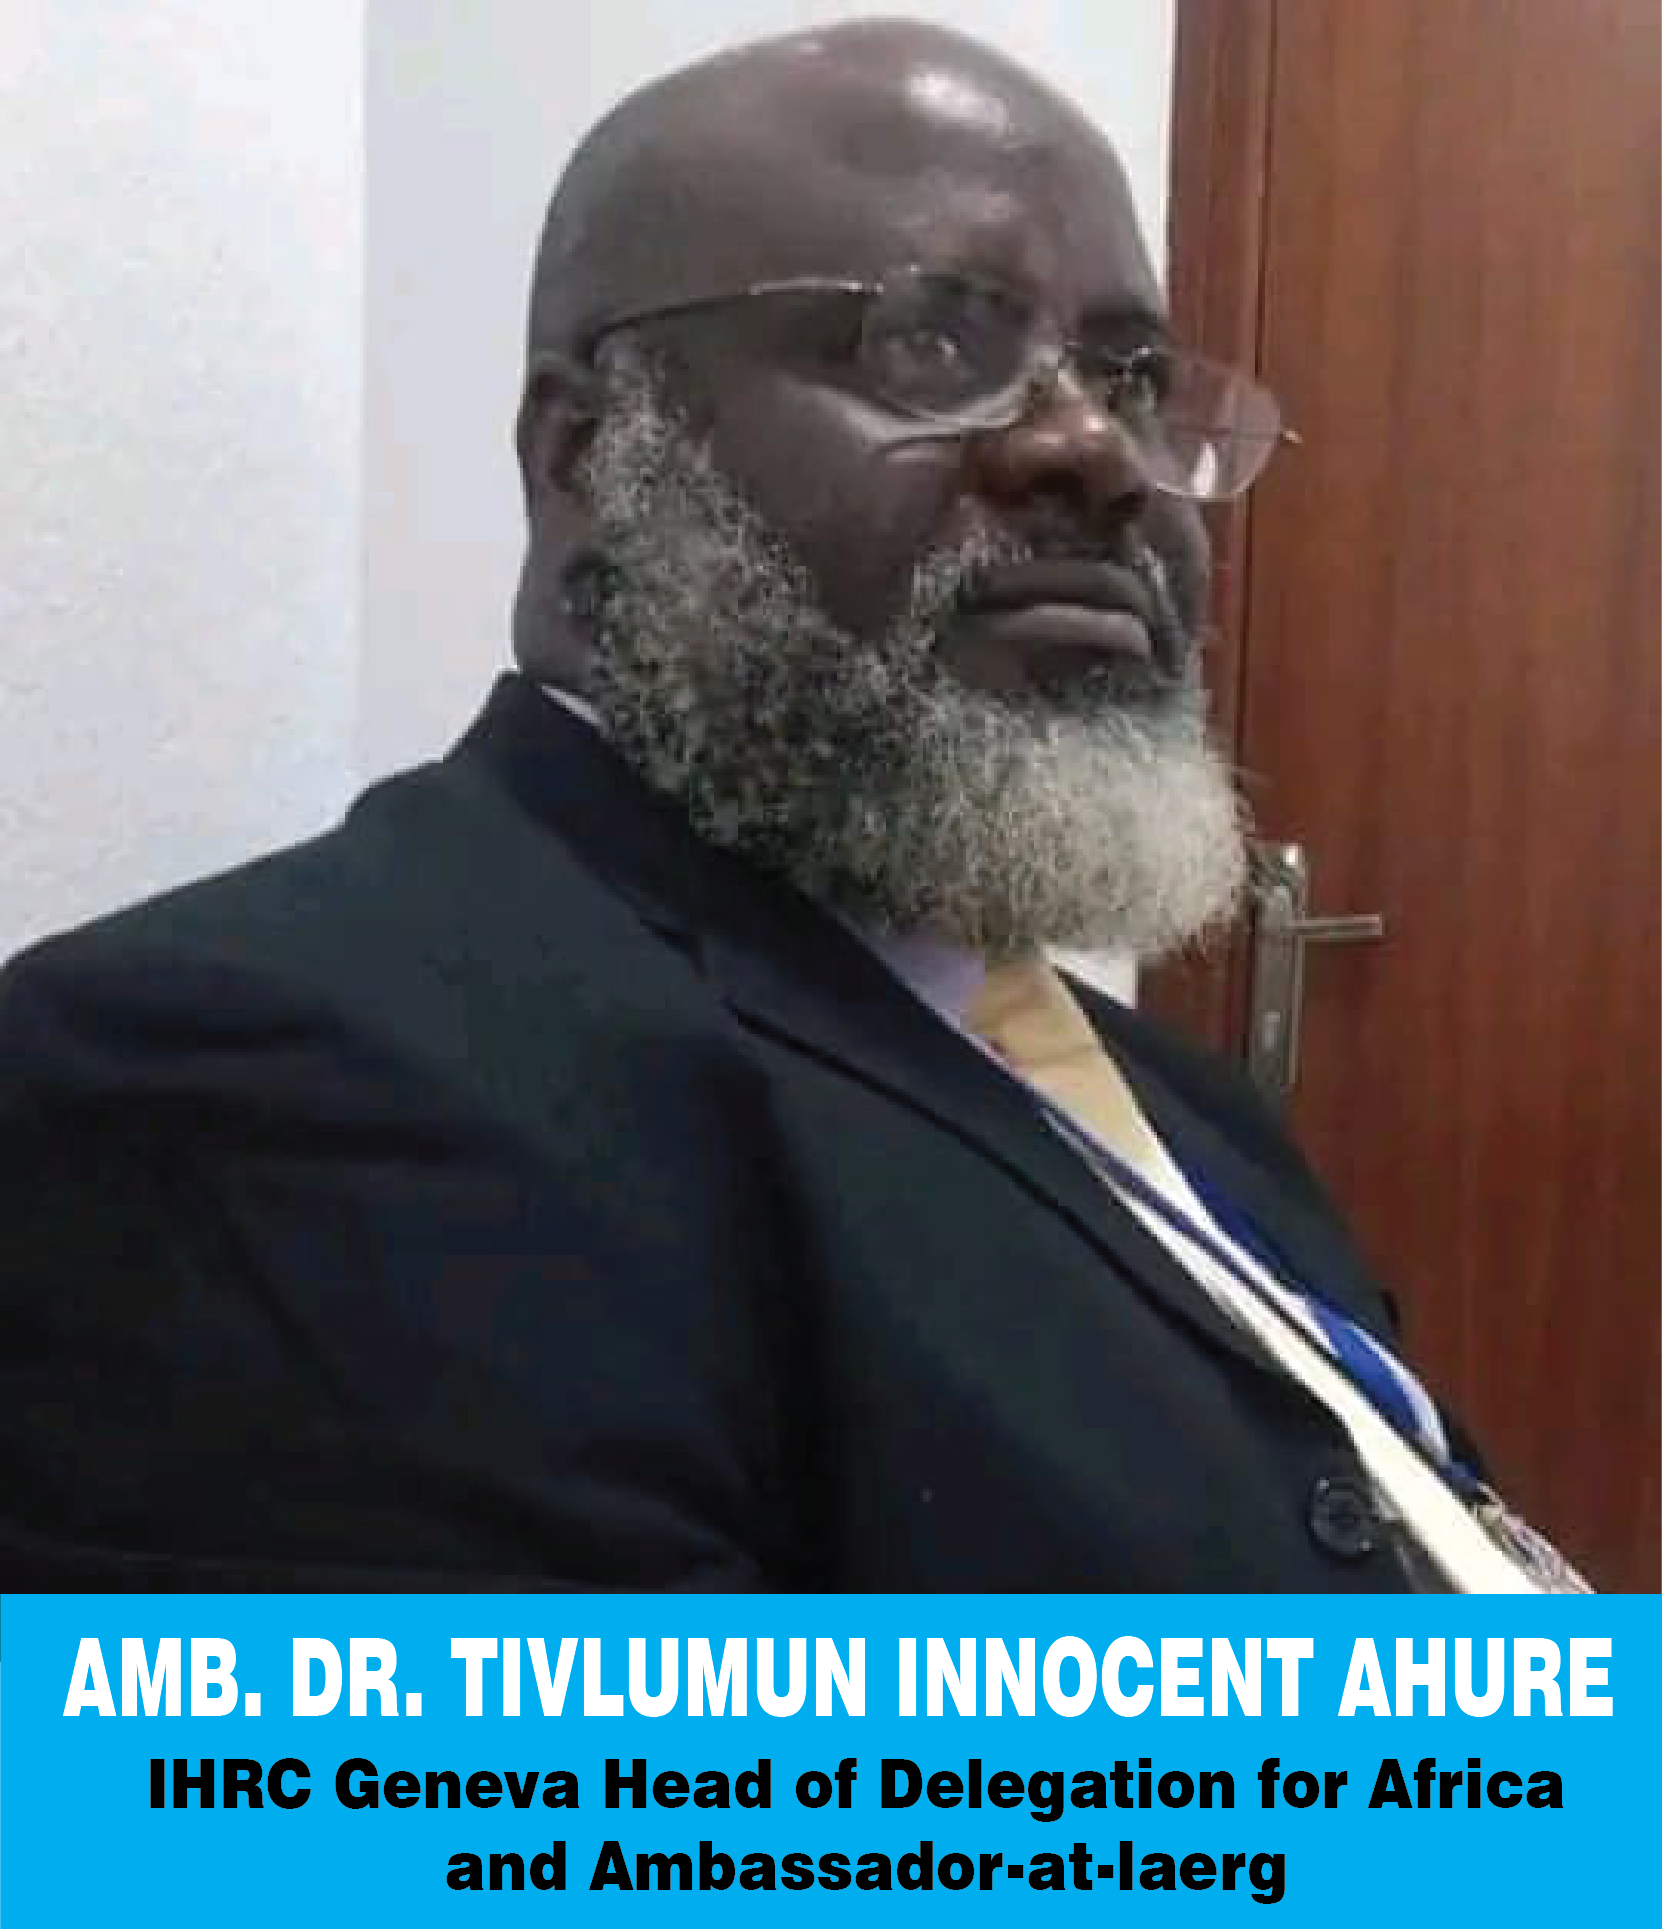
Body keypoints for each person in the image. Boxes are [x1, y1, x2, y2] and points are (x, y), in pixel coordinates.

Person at [0, 19, 1583, 1591]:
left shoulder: (1173, 1100)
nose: (1097, 451)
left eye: (1136, 380)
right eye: (929, 343)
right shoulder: (279, 1068)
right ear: (586, 456)